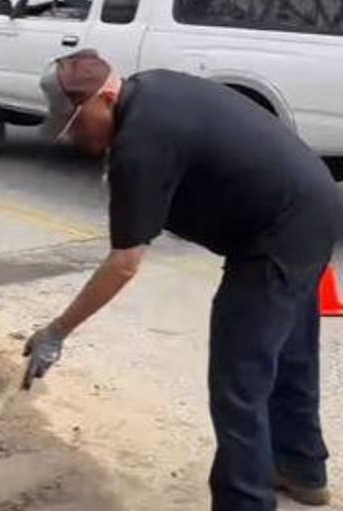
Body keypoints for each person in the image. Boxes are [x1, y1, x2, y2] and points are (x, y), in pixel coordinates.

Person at [26, 50, 343, 511]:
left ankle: (246, 503)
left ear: (107, 97)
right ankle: (301, 470)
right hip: (313, 206)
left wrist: (57, 331)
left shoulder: (140, 144)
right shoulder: (150, 91)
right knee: (290, 355)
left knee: (238, 383)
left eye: (75, 121)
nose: (70, 134)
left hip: (276, 236)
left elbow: (124, 263)